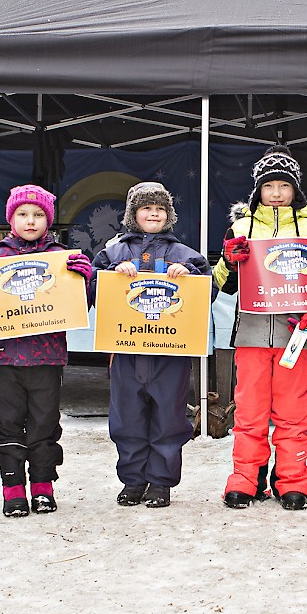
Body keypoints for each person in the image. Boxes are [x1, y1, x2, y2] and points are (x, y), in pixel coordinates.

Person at [0, 185, 93, 517]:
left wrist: (86, 283)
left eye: (39, 215)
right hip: (6, 358)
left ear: (49, 220)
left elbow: (80, 304)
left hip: (47, 358)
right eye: (23, 214)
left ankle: (43, 487)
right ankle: (12, 489)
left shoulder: (63, 259)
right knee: (8, 424)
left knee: (45, 425)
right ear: (11, 218)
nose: (31, 221)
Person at [213, 145, 307, 511]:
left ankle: (292, 482)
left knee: (294, 412)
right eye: (269, 186)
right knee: (249, 411)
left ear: (296, 190)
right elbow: (223, 284)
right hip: (250, 333)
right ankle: (246, 479)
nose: (276, 193)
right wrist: (230, 262)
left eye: (284, 186)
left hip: (296, 336)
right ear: (258, 190)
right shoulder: (241, 226)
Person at [90, 181, 210, 509]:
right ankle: (133, 481)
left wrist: (188, 274)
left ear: (168, 215)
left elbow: (206, 290)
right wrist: (111, 273)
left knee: (169, 419)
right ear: (133, 214)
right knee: (126, 418)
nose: (153, 213)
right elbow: (89, 290)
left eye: (160, 208)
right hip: (126, 352)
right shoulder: (113, 252)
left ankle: (160, 483)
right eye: (146, 208)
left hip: (170, 355)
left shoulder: (185, 254)